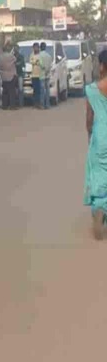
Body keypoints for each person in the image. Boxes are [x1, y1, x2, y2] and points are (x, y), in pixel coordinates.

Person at [84, 48, 107, 238]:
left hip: (100, 136)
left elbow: (89, 119)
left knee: (99, 175)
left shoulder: (91, 90)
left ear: (101, 66)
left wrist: (90, 137)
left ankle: (99, 207)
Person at [0, 42, 17, 110]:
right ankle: (12, 106)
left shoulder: (0, 57)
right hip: (11, 75)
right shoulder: (11, 56)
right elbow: (15, 60)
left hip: (3, 76)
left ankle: (4, 106)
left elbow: (0, 66)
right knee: (12, 91)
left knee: (5, 92)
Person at [29, 42, 43, 108]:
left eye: (37, 47)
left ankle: (39, 103)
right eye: (34, 47)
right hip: (34, 75)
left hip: (40, 75)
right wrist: (36, 62)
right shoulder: (32, 54)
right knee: (35, 90)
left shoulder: (41, 54)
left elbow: (41, 62)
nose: (35, 48)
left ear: (38, 48)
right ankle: (35, 104)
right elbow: (31, 61)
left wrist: (36, 62)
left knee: (40, 90)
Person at [39, 41, 53, 109]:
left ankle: (42, 105)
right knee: (47, 90)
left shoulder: (40, 56)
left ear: (40, 48)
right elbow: (50, 65)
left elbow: (41, 65)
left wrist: (44, 69)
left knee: (42, 91)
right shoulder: (49, 56)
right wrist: (47, 70)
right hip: (47, 74)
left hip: (42, 75)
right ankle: (47, 104)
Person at [13, 44, 25, 109]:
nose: (15, 50)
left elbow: (23, 65)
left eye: (16, 48)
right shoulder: (12, 56)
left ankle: (21, 103)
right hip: (13, 75)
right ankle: (15, 103)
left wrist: (17, 64)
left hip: (20, 74)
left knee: (20, 89)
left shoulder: (21, 56)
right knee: (14, 90)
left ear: (18, 49)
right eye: (14, 48)